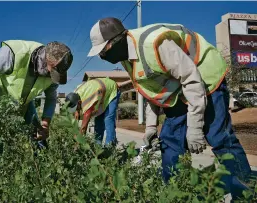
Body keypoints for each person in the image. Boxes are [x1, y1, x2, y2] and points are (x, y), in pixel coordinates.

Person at [87, 17, 251, 199]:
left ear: (116, 40)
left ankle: (244, 194)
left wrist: (195, 128)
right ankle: (173, 194)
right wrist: (150, 127)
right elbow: (152, 90)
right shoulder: (126, 57)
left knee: (219, 137)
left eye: (103, 51)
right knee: (170, 141)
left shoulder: (155, 44)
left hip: (205, 78)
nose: (102, 57)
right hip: (179, 89)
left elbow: (191, 79)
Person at [0, 40, 73, 141]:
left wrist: (45, 123)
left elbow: (51, 97)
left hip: (23, 103)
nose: (51, 77)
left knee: (36, 138)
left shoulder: (54, 73)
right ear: (46, 61)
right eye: (52, 72)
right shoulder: (11, 54)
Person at [65, 78, 120, 146]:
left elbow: (84, 128)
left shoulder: (88, 102)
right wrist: (77, 112)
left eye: (76, 108)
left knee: (108, 119)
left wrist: (78, 143)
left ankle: (109, 148)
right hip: (101, 93)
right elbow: (76, 107)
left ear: (79, 102)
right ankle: (97, 147)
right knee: (98, 121)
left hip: (112, 89)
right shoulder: (75, 93)